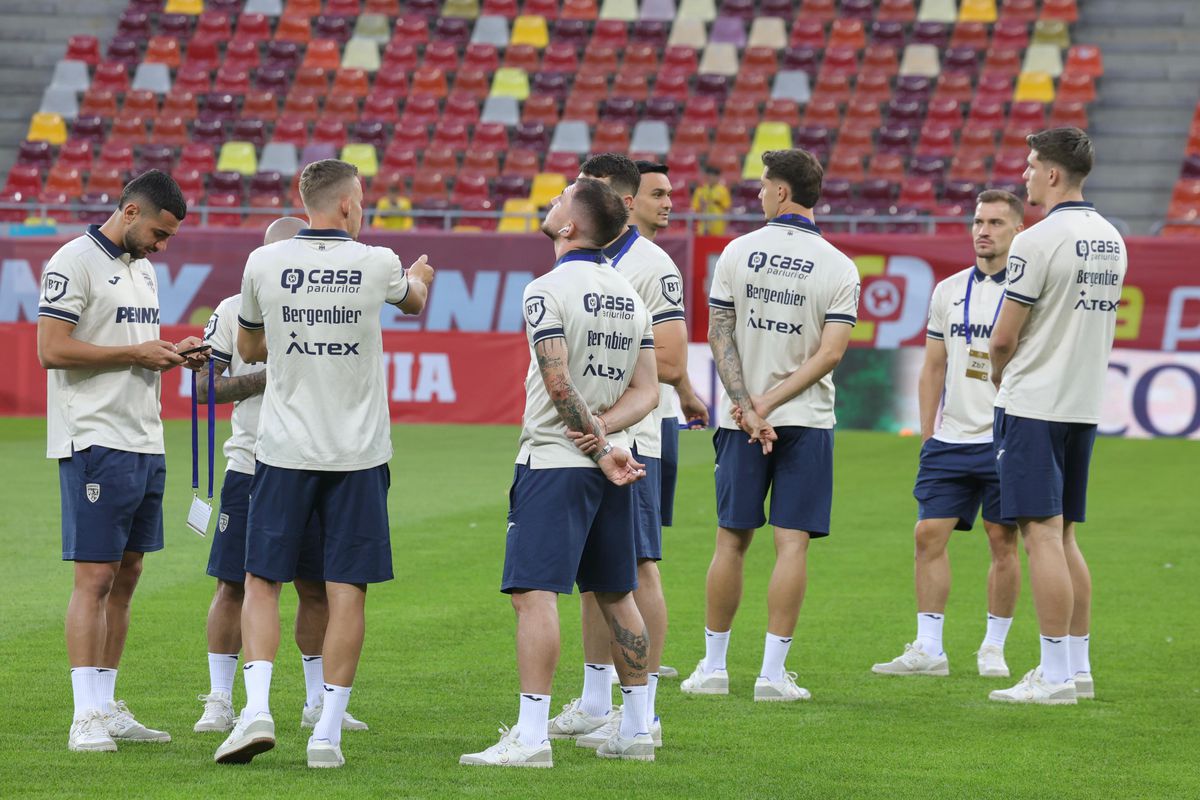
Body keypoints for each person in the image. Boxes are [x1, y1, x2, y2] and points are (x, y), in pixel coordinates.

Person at [214, 160, 433, 767]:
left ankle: (256, 711)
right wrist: (420, 275)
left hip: (283, 449)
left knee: (262, 580)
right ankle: (326, 734)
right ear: (345, 205)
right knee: (346, 591)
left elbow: (251, 345)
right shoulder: (379, 262)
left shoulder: (264, 263)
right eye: (360, 200)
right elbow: (413, 302)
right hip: (358, 455)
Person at [460, 178, 661, 767]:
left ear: (571, 226)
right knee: (617, 594)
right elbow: (647, 391)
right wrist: (606, 434)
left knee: (533, 595)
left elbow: (556, 383)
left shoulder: (545, 290)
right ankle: (638, 729)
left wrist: (595, 444)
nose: (550, 206)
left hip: (557, 462)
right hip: (614, 463)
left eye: (559, 201)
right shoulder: (630, 296)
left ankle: (530, 737)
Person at [37, 170, 207, 752]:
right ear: (131, 212)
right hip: (94, 438)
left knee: (129, 575)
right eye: (159, 232)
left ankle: (107, 705)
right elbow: (51, 349)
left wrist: (168, 351)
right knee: (95, 577)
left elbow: (130, 346)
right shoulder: (72, 262)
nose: (162, 245)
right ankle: (84, 715)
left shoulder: (144, 269)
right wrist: (135, 351)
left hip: (144, 438)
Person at [682, 149, 859, 702]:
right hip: (806, 419)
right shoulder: (839, 265)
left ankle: (712, 669)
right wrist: (770, 402)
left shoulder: (737, 251)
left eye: (763, 186)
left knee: (730, 541)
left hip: (741, 424)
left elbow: (719, 335)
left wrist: (747, 406)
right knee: (791, 545)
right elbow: (830, 355)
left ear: (782, 193)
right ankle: (771, 676)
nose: (758, 194)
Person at [545, 156, 707, 749]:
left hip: (634, 437)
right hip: (594, 439)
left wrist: (601, 403)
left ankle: (645, 713)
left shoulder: (651, 264)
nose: (668, 203)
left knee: (636, 569)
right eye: (657, 193)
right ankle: (594, 702)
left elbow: (668, 360)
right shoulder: (587, 257)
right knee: (597, 575)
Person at [193, 217, 365, 736]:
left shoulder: (330, 308)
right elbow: (205, 388)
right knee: (235, 584)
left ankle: (317, 701)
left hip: (319, 462)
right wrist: (271, 374)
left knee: (316, 587)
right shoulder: (231, 311)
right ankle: (221, 699)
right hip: (251, 462)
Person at [988, 127, 1127, 705]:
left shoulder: (1037, 240)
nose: (1023, 175)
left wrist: (1001, 379)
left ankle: (1051, 676)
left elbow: (1003, 339)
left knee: (1038, 535)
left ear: (1051, 174)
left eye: (1030, 167)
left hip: (1035, 403)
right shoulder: (1114, 239)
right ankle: (1077, 666)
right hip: (1082, 403)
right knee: (1065, 533)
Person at [872, 190, 1025, 679]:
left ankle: (994, 647)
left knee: (1002, 540)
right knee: (927, 535)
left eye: (996, 223)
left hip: (1005, 436)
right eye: (979, 221)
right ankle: (929, 647)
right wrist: (927, 433)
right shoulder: (948, 290)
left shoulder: (1028, 292)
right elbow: (933, 365)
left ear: (1018, 231)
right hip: (950, 439)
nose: (984, 230)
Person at [691, 166, 731, 236]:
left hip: (719, 227)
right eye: (710, 175)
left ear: (718, 177)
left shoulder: (723, 191)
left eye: (715, 175)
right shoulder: (700, 191)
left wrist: (726, 227)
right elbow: (695, 209)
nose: (712, 177)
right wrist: (702, 206)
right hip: (703, 226)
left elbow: (727, 209)